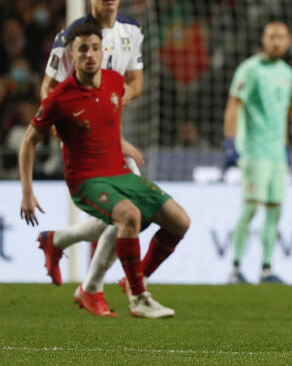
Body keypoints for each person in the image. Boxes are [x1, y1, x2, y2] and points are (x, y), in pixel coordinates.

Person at [19, 23, 190, 318]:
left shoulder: (114, 82)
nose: (90, 54)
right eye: (82, 49)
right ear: (71, 56)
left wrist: (123, 144)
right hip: (86, 180)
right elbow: (28, 141)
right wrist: (27, 192)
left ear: (103, 50)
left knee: (179, 221)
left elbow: (105, 120)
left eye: (95, 47)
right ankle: (138, 298)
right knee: (129, 216)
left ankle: (131, 277)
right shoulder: (59, 98)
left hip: (119, 172)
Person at [36, 0, 146, 316]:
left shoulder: (132, 30)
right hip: (84, 143)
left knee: (125, 215)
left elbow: (135, 84)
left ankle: (60, 244)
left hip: (113, 137)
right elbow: (48, 88)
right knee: (127, 214)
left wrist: (110, 109)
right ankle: (91, 286)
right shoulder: (73, 37)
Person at [223, 22, 292, 284]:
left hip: (277, 153)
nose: (276, 42)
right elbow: (233, 105)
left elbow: (282, 114)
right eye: (271, 37)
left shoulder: (287, 73)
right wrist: (230, 142)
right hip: (254, 151)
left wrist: (285, 149)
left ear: (288, 42)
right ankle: (235, 268)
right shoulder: (249, 69)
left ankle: (266, 268)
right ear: (263, 40)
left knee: (275, 209)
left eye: (281, 37)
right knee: (251, 208)